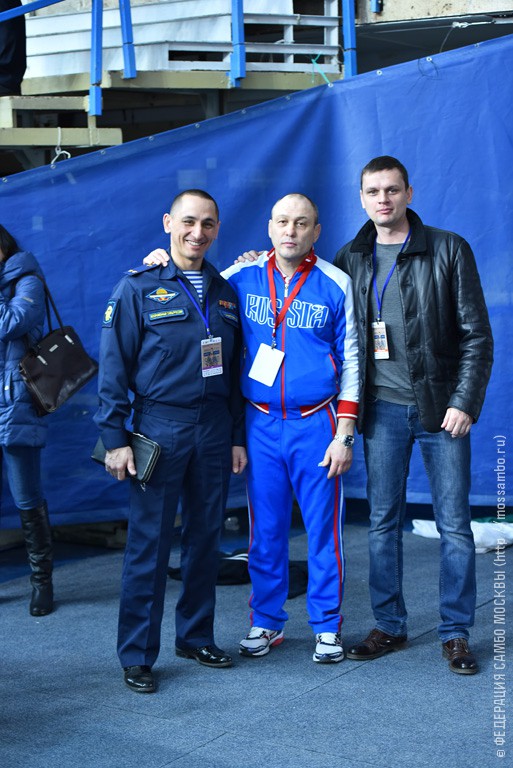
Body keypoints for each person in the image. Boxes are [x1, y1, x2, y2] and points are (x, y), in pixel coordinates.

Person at [144, 193, 359, 663]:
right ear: (269, 227)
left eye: (301, 223)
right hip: (260, 423)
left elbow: (353, 362)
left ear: (316, 231)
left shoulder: (335, 282)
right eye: (282, 221)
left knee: (324, 533)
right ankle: (266, 620)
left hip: (316, 424)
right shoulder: (240, 278)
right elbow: (190, 284)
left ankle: (327, 626)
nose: (290, 231)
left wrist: (344, 434)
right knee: (266, 531)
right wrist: (162, 262)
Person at [334, 156, 493, 675]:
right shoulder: (350, 257)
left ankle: (456, 633)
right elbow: (310, 289)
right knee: (381, 524)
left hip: (441, 412)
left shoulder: (448, 248)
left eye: (392, 190)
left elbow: (477, 335)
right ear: (362, 198)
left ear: (408, 193)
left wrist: (464, 402)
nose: (383, 199)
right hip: (380, 412)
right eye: (373, 191)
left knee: (455, 527)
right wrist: (257, 258)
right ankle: (389, 625)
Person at [95, 190, 247, 694]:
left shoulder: (225, 293)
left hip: (213, 429)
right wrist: (115, 439)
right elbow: (113, 368)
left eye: (207, 224)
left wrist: (236, 437)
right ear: (168, 223)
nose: (196, 233)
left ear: (217, 228)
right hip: (158, 426)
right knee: (150, 545)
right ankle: (138, 654)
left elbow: (235, 375)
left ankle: (195, 636)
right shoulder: (137, 286)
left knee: (205, 539)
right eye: (187, 222)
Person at [0, 224, 53, 616]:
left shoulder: (27, 279)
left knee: (26, 495)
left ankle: (41, 582)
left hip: (16, 402)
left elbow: (11, 323)